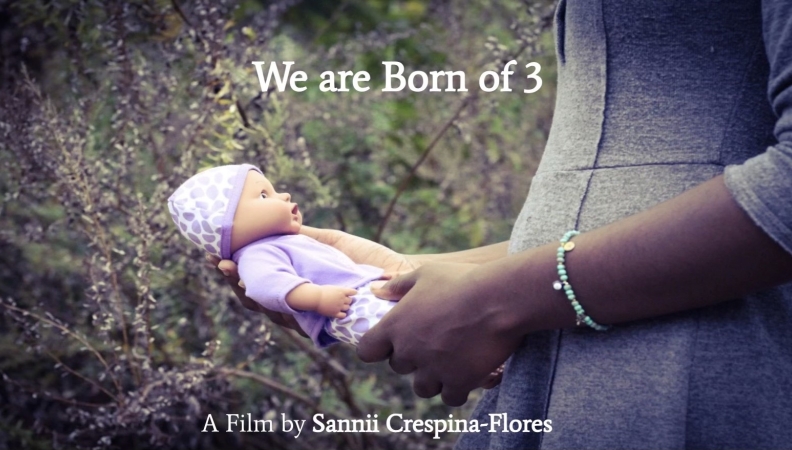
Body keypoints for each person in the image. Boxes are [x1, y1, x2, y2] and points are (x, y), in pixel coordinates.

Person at [216, 0, 792, 448]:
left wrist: (493, 301)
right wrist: (398, 274)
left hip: (693, 366)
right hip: (552, 364)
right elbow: (613, 196)